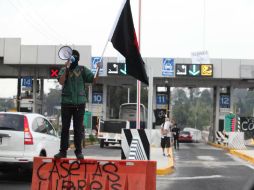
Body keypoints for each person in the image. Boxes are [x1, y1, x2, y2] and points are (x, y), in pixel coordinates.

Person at [54, 49, 99, 159]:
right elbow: (61, 81)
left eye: (74, 57)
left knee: (78, 128)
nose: (72, 58)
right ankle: (62, 152)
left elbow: (93, 80)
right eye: (70, 56)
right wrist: (67, 68)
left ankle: (78, 152)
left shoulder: (83, 70)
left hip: (80, 104)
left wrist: (98, 68)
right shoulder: (64, 69)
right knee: (65, 128)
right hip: (66, 103)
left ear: (77, 59)